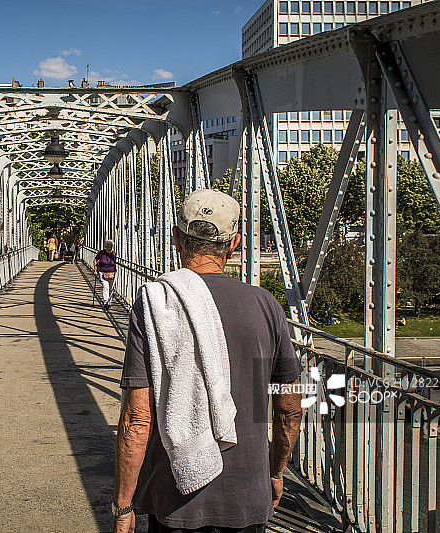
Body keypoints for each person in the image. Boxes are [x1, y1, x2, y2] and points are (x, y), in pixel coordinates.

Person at [113, 189, 303, 533]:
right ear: (234, 244)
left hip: (174, 495)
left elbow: (137, 419)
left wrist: (123, 505)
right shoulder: (267, 305)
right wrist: (275, 473)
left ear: (176, 238)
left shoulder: (155, 303)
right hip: (247, 494)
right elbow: (289, 409)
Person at [94, 239, 117, 309]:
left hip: (112, 273)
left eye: (111, 246)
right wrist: (95, 270)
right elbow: (95, 259)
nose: (109, 248)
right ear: (105, 246)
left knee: (111, 288)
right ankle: (106, 302)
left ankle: (109, 302)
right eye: (108, 246)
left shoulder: (114, 254)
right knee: (105, 287)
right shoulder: (101, 253)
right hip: (103, 272)